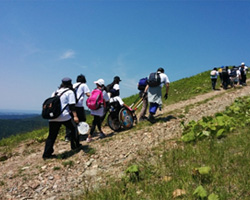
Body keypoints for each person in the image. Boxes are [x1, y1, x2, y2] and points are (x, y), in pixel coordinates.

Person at [42, 77, 80, 159]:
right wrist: (75, 116)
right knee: (73, 129)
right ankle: (75, 146)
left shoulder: (55, 92)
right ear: (70, 83)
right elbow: (72, 106)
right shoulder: (69, 92)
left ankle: (46, 154)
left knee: (52, 135)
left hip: (53, 117)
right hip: (64, 116)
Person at [65, 74, 90, 141]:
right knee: (82, 120)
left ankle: (68, 136)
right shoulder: (84, 85)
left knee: (71, 121)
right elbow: (88, 94)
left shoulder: (73, 85)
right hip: (79, 106)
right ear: (84, 80)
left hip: (71, 106)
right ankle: (81, 135)